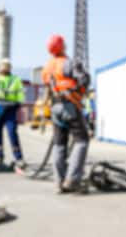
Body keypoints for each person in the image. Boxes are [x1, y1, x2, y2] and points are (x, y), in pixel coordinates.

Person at [41, 34, 90, 193]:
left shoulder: (47, 67)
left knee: (59, 144)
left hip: (56, 108)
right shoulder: (70, 63)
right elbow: (83, 80)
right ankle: (72, 179)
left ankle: (59, 182)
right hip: (70, 106)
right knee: (82, 140)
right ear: (62, 46)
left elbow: (48, 87)